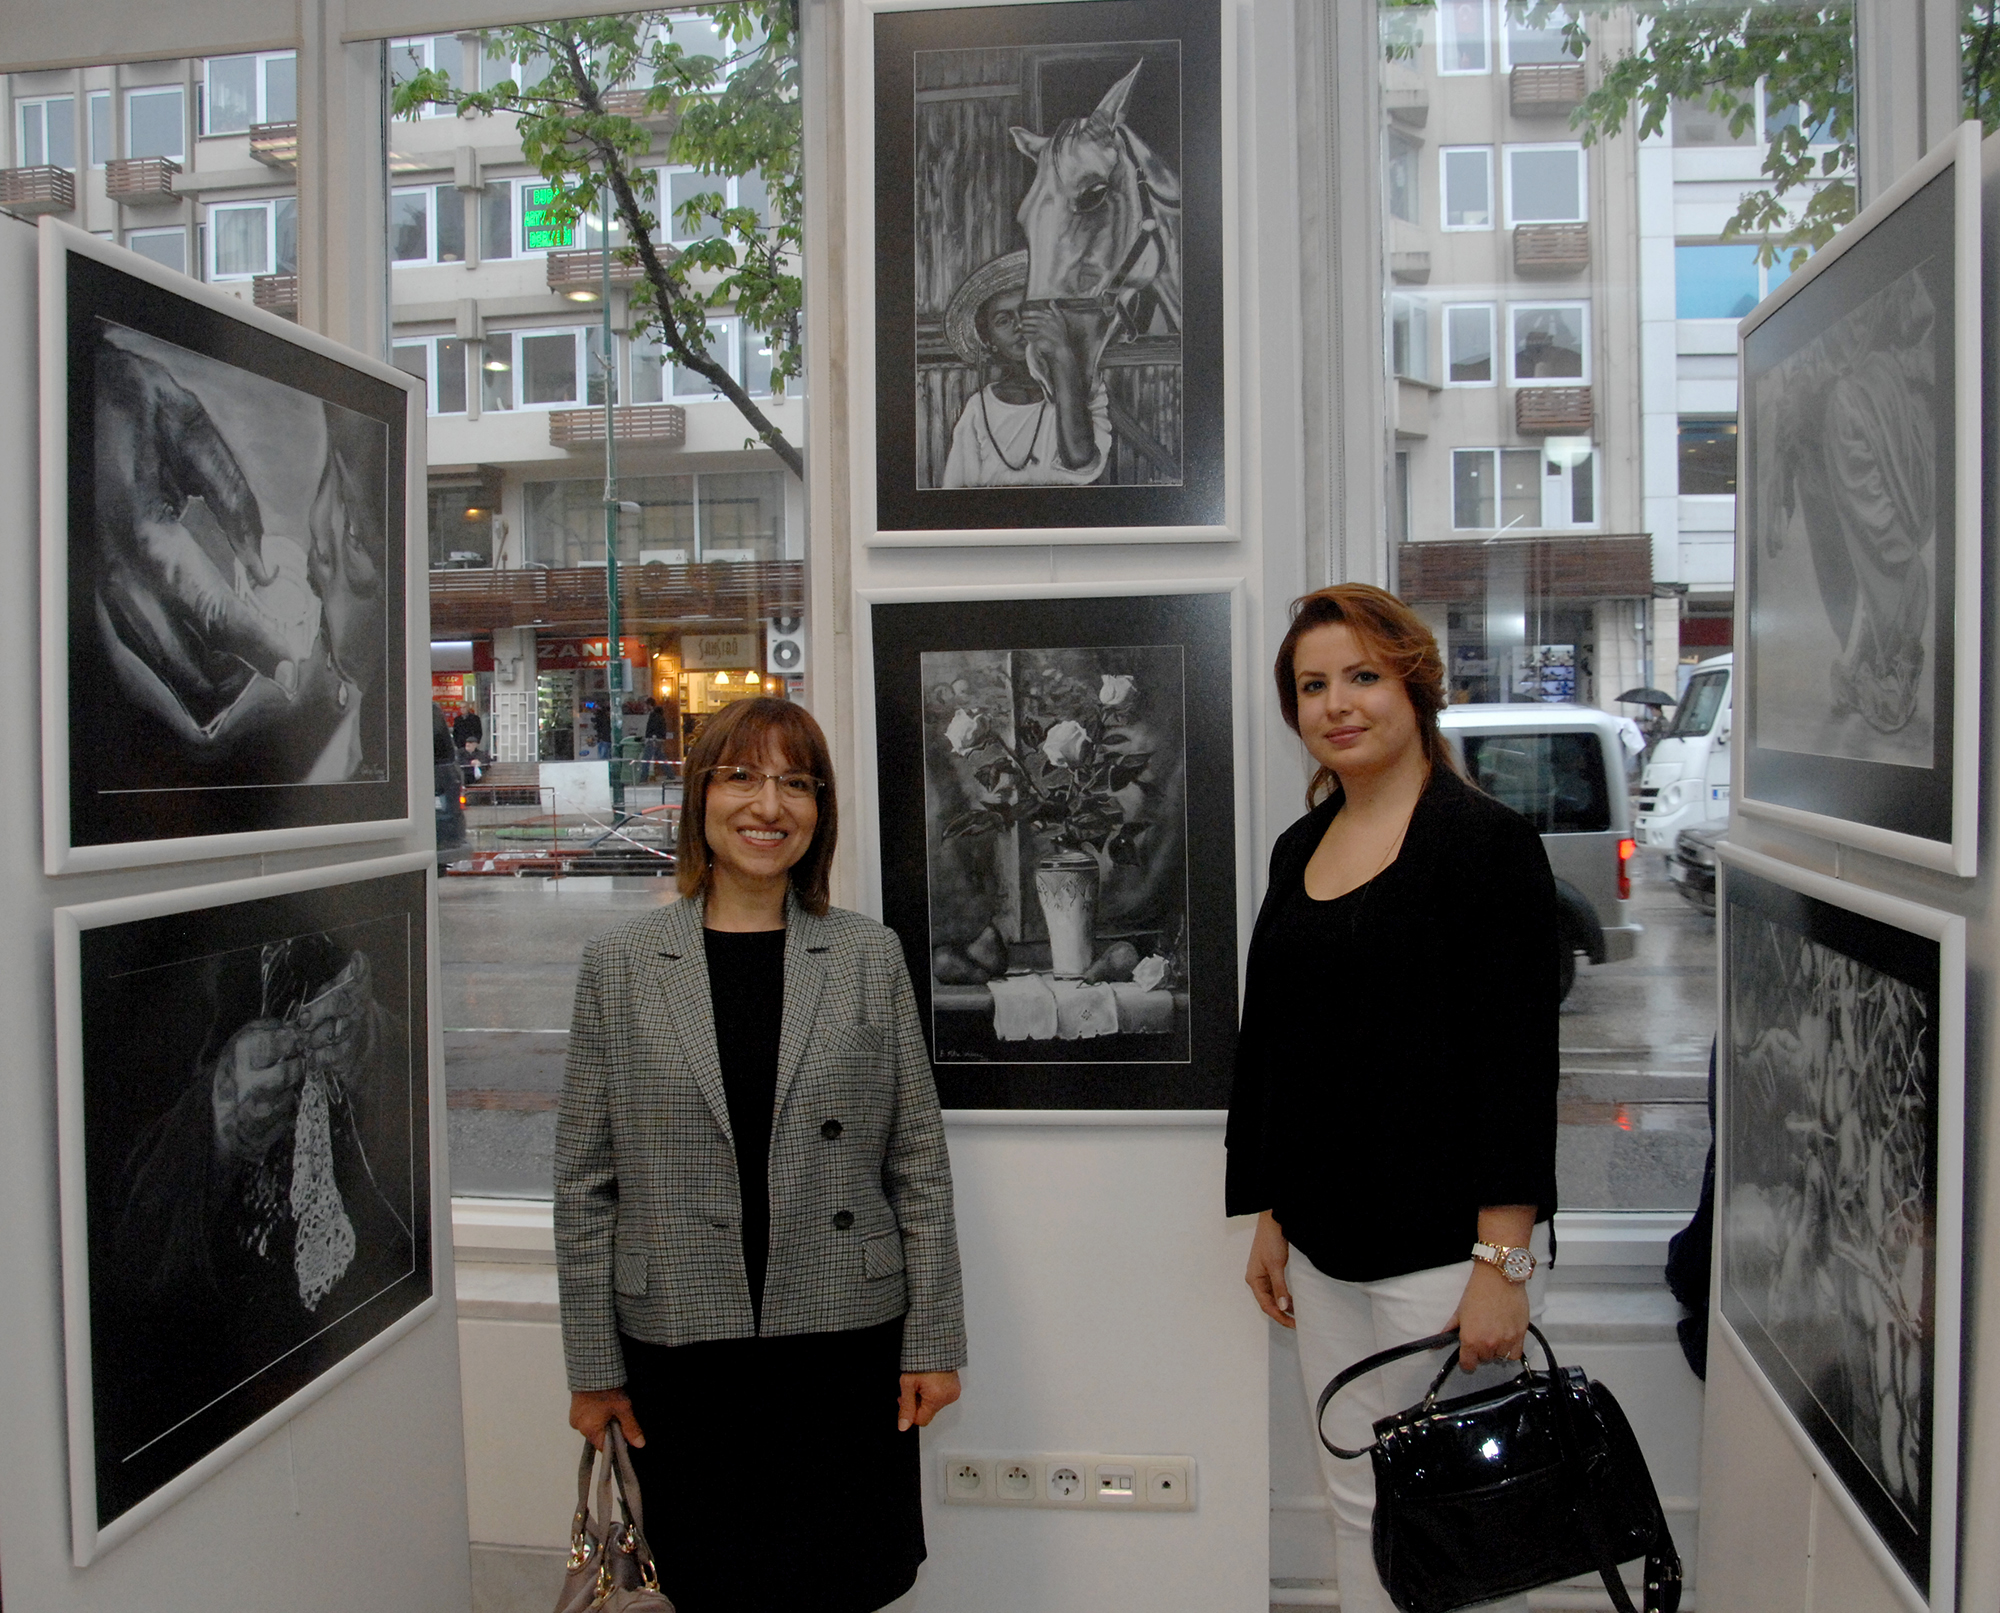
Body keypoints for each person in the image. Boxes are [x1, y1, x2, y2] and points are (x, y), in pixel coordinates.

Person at [556, 696, 966, 1613]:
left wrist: (934, 1340)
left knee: (839, 1581)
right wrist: (592, 1366)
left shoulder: (867, 956)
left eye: (796, 782)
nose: (768, 805)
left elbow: (919, 1165)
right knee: (707, 1583)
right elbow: (584, 1185)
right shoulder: (620, 964)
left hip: (844, 1341)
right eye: (741, 776)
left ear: (819, 810)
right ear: (700, 796)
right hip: (680, 1343)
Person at [1226, 584, 1560, 1613]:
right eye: (1311, 685)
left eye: (1362, 675)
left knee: (1455, 1529)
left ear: (1415, 687)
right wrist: (1272, 1211)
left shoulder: (1484, 843)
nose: (1336, 703)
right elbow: (1279, 1046)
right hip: (1325, 1246)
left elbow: (1517, 1066)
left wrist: (1502, 1264)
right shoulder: (1299, 847)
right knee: (1355, 1502)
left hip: (1446, 1259)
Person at [939, 251, 1110, 488]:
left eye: (1027, 313)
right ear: (989, 340)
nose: (1019, 326)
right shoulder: (979, 408)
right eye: (1003, 320)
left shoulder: (1086, 386)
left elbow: (1080, 461)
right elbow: (956, 488)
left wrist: (1061, 351)